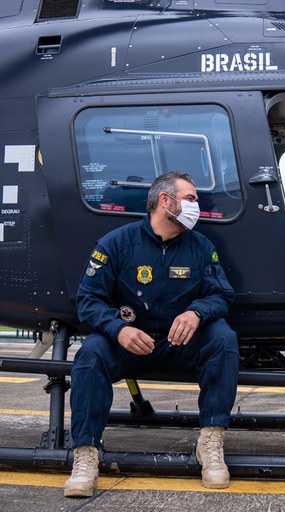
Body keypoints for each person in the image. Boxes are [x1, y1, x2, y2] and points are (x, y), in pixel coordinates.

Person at [65, 172, 239, 497]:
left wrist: (196, 312)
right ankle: (86, 455)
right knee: (90, 353)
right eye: (190, 198)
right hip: (130, 344)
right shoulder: (116, 243)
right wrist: (119, 330)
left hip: (180, 345)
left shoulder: (201, 247)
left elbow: (221, 295)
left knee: (223, 339)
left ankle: (211, 444)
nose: (196, 206)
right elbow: (88, 300)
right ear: (165, 201)